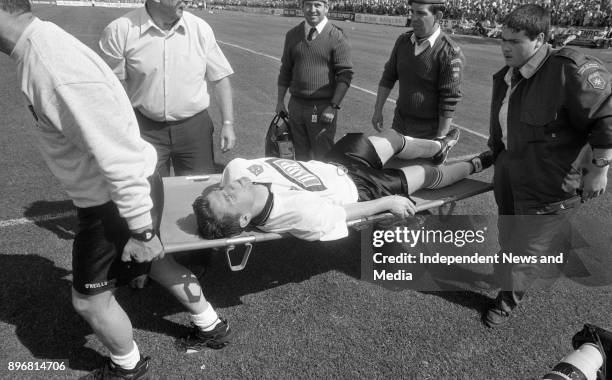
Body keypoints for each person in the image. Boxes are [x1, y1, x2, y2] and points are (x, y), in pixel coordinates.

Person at [0, 3, 231, 379]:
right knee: (157, 262)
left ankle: (127, 366)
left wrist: (141, 229)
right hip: (133, 186)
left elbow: (117, 154)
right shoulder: (41, 47)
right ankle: (211, 325)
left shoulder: (50, 64)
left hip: (113, 200)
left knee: (90, 301)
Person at [482, 4, 612, 328]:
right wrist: (494, 154)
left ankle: (506, 301)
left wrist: (599, 169)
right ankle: (507, 271)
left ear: (539, 39)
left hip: (549, 182)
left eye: (514, 40)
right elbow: (505, 123)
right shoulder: (509, 74)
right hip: (510, 172)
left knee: (529, 247)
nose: (505, 47)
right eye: (502, 39)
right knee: (508, 231)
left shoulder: (570, 70)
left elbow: (606, 117)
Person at [193, 128, 493, 241]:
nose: (229, 189)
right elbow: (344, 214)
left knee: (392, 139)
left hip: (335, 161)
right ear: (246, 218)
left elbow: (230, 181)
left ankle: (438, 145)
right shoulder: (297, 215)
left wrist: (225, 192)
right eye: (229, 199)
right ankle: (480, 163)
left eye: (222, 190)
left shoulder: (235, 170)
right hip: (360, 187)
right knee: (428, 176)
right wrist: (388, 203)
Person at [99, 0, 236, 177]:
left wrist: (228, 123)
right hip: (144, 129)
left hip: (195, 131)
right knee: (148, 196)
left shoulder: (200, 28)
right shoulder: (120, 30)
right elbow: (109, 88)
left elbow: (221, 78)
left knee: (196, 193)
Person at [371, 0, 465, 157]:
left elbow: (449, 99)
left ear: (438, 16)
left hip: (428, 133)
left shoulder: (449, 52)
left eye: (421, 13)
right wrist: (378, 110)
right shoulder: (403, 41)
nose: (413, 18)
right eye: (412, 12)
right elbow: (389, 76)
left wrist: (440, 141)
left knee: (415, 178)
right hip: (399, 124)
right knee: (391, 173)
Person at [276, 0, 354, 161]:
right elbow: (285, 70)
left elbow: (345, 75)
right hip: (296, 106)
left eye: (317, 5)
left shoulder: (337, 36)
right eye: (308, 4)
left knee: (323, 157)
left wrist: (333, 106)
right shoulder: (292, 35)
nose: (312, 9)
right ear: (302, 6)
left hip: (322, 109)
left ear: (327, 7)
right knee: (300, 155)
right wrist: (280, 101)